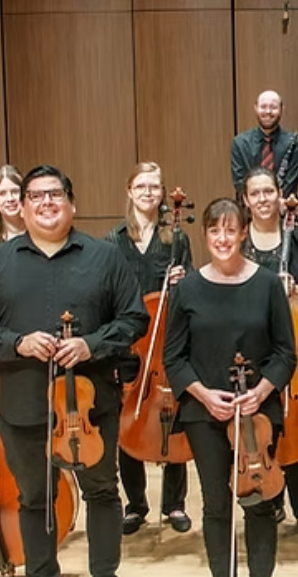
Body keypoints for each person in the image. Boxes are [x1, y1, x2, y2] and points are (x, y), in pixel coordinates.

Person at [0, 165, 148, 577]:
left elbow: (134, 319)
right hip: (24, 406)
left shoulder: (104, 258)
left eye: (56, 194)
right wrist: (17, 344)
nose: (47, 203)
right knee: (35, 500)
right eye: (36, 196)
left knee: (103, 493)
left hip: (91, 406)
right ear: (21, 206)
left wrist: (93, 344)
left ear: (72, 203)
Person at [163, 197, 294, 577]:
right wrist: (202, 395)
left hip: (256, 410)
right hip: (206, 413)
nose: (222, 238)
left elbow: (284, 352)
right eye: (214, 231)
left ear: (243, 234)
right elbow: (174, 357)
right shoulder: (187, 289)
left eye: (230, 230)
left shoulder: (267, 284)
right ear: (205, 235)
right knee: (217, 503)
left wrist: (260, 391)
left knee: (259, 499)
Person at [106, 162, 192, 536]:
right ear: (129, 190)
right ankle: (136, 503)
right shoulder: (113, 240)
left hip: (167, 339)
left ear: (162, 194)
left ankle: (174, 504)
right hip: (131, 344)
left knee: (173, 414)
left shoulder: (177, 238)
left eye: (154, 187)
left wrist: (180, 280)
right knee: (129, 420)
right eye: (141, 186)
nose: (148, 192)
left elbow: (188, 293)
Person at [240, 167, 298, 542]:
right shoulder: (239, 239)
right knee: (260, 431)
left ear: (279, 195)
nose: (262, 199)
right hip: (249, 348)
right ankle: (269, 499)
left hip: (292, 345)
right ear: (246, 200)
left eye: (268, 192)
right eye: (255, 193)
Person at [231, 90, 298, 199]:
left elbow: (291, 182)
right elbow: (240, 182)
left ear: (282, 110)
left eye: (273, 107)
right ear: (256, 108)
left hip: (282, 206)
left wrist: (274, 201)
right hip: (249, 208)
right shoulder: (240, 142)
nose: (268, 111)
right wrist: (256, 200)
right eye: (263, 107)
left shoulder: (294, 143)